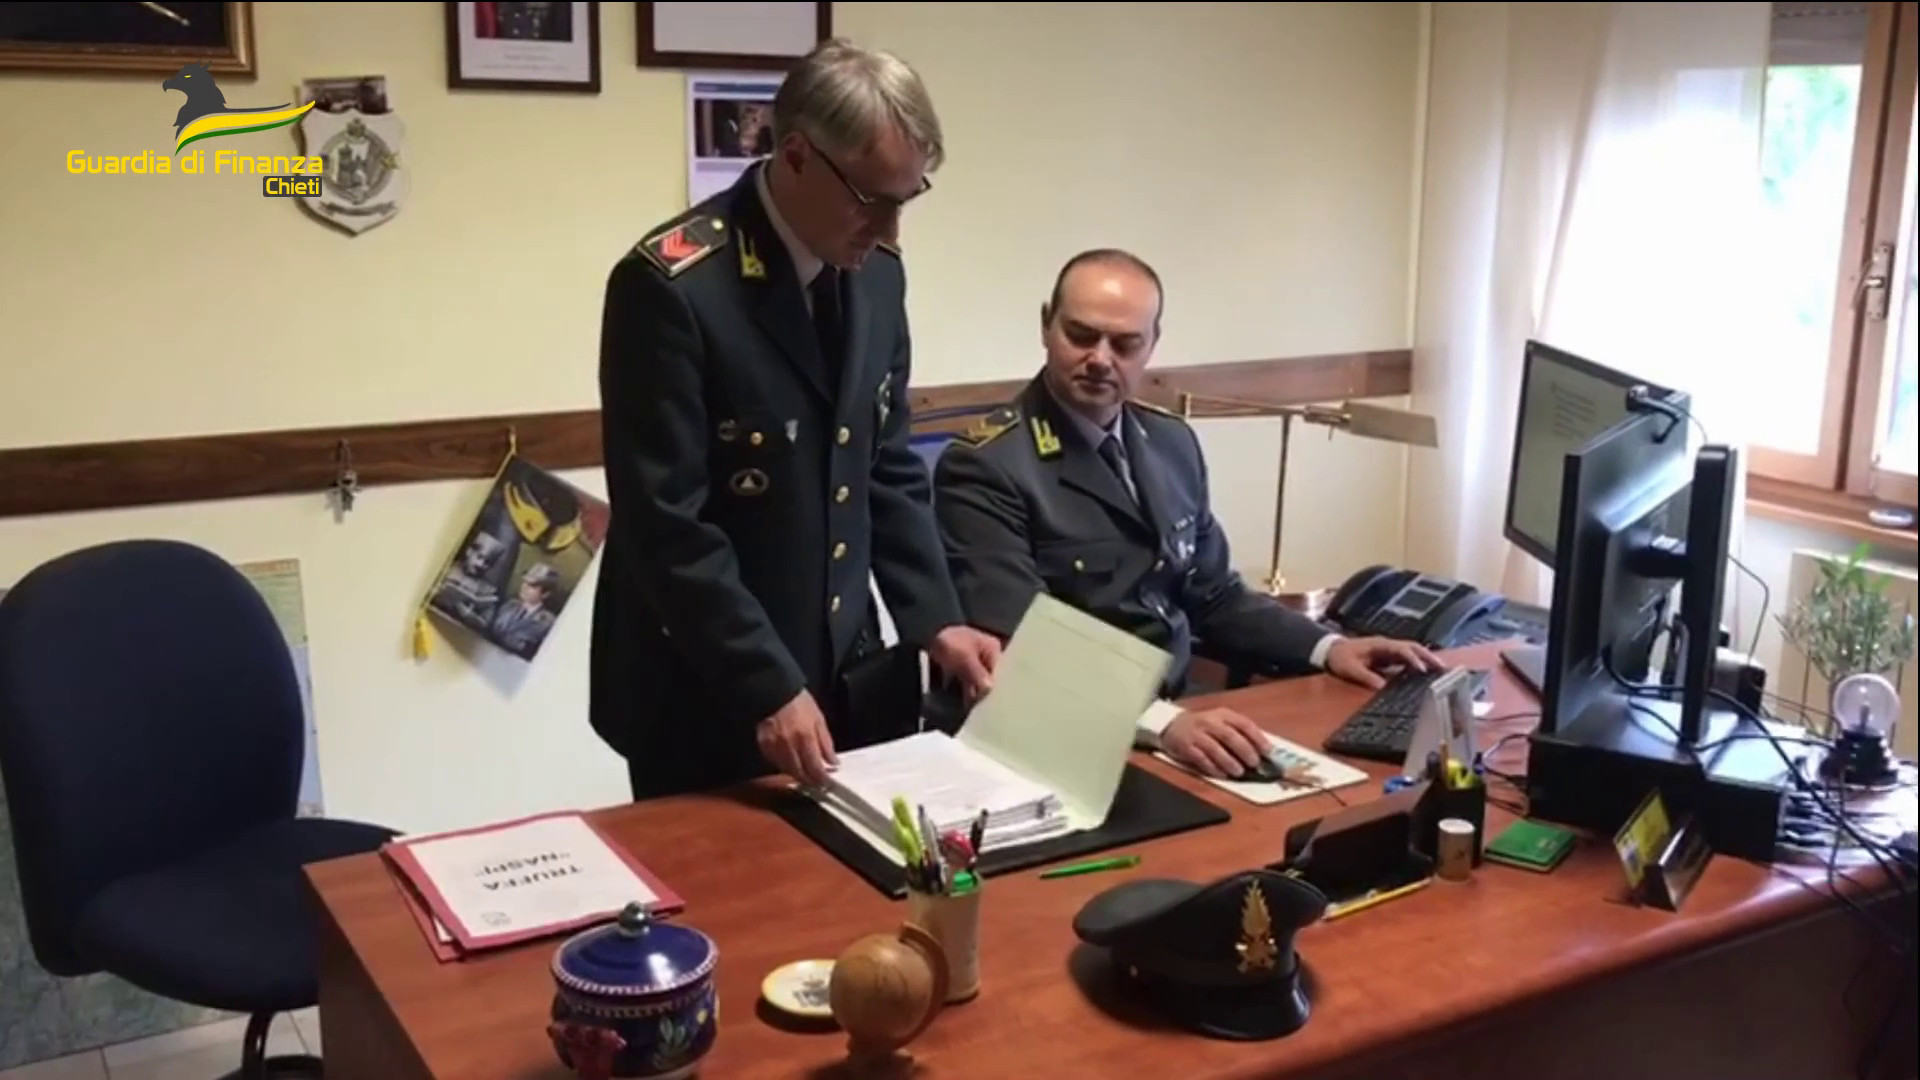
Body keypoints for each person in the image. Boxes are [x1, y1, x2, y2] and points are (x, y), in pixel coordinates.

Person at [593, 39, 1001, 801]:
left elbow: (886, 465)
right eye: (871, 199)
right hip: (705, 689)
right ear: (796, 156)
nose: (890, 230)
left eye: (906, 200)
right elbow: (666, 524)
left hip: (843, 674)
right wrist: (766, 683)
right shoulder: (674, 289)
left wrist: (935, 617)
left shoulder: (876, 277)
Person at [932, 249, 1442, 779]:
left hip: (1175, 717)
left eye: (1125, 344)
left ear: (1152, 344)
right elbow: (1026, 643)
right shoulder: (986, 464)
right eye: (1081, 336)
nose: (1100, 358)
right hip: (1056, 739)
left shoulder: (1170, 442)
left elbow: (1214, 594)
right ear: (1046, 326)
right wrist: (1162, 723)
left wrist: (1329, 648)